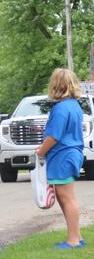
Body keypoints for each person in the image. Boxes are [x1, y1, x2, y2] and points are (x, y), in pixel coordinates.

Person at [35, 68, 86, 249]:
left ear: (56, 85)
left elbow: (54, 136)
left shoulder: (61, 108)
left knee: (66, 198)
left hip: (63, 155)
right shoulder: (74, 105)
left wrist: (41, 151)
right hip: (70, 154)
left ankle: (72, 241)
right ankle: (76, 236)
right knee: (64, 196)